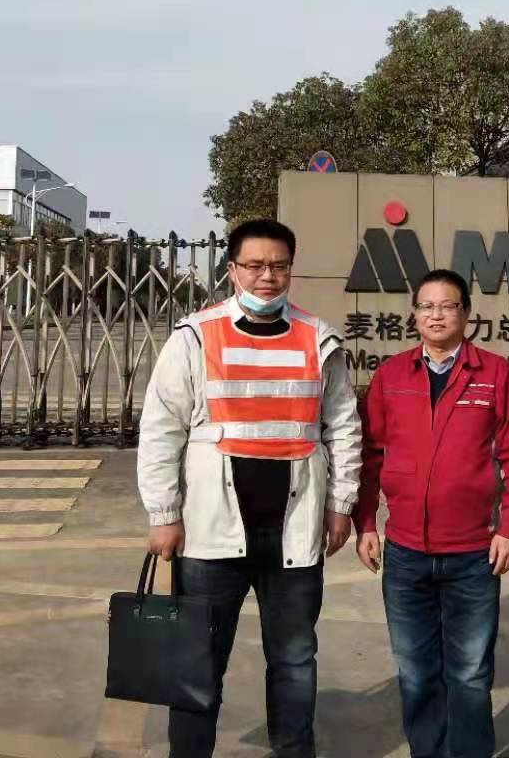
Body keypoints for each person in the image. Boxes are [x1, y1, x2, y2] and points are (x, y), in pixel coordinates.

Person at [137, 217, 361, 758]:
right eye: (255, 265)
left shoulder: (319, 338)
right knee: (199, 663)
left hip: (294, 536)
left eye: (279, 266)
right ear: (232, 269)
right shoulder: (195, 336)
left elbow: (343, 425)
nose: (267, 276)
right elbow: (162, 428)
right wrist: (164, 514)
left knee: (294, 661)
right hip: (212, 537)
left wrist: (341, 503)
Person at [354, 267, 509, 758]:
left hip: (474, 555)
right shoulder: (391, 376)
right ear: (414, 315)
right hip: (405, 554)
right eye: (426, 306)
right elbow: (369, 456)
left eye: (447, 305)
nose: (436, 315)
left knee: (471, 673)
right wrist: (365, 523)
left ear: (466, 313)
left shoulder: (496, 374)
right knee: (416, 673)